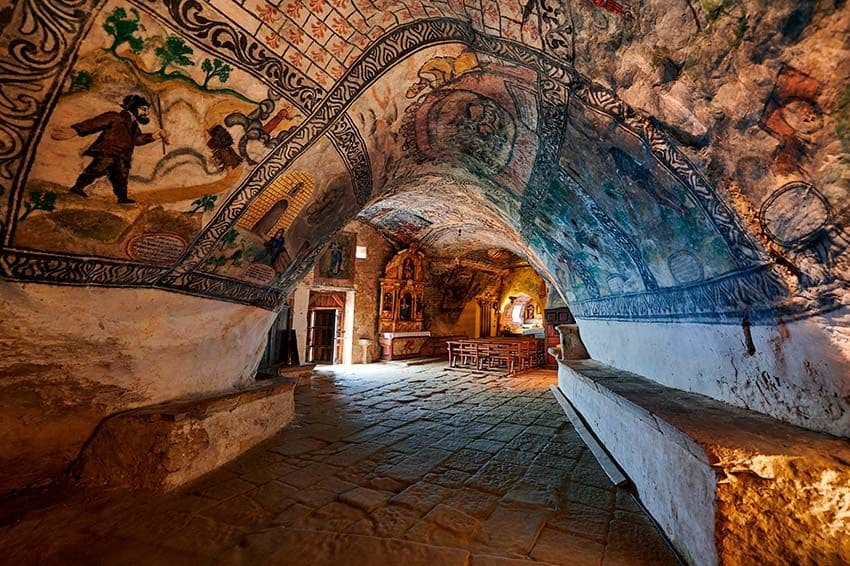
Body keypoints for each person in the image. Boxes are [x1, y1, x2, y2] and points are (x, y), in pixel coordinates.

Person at [51, 94, 169, 204]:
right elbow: (94, 123)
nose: (147, 113)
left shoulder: (133, 125)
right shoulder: (115, 117)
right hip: (108, 152)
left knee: (121, 177)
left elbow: (136, 139)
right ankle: (77, 188)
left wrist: (153, 136)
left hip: (122, 156)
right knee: (96, 170)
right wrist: (76, 130)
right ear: (133, 107)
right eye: (144, 109)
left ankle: (122, 198)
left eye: (147, 110)